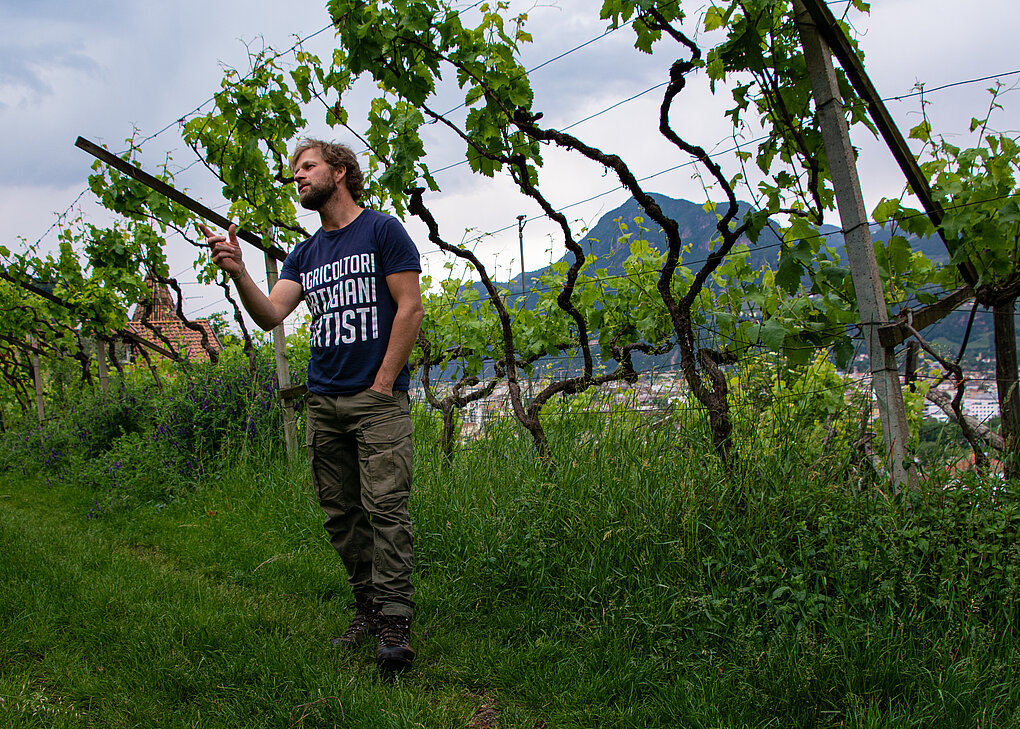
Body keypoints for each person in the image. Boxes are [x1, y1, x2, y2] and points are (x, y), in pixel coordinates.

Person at [201, 139, 424, 673]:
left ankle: (395, 623)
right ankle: (367, 609)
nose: (297, 176)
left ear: (340, 171)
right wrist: (237, 270)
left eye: (307, 166)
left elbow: (410, 307)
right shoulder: (304, 253)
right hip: (323, 402)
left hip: (377, 401)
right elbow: (271, 314)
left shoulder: (382, 230)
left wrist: (383, 383)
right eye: (294, 169)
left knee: (386, 510)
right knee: (342, 515)